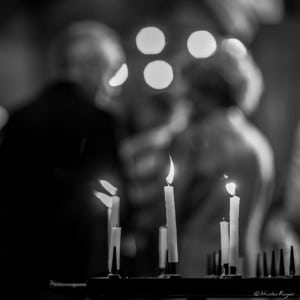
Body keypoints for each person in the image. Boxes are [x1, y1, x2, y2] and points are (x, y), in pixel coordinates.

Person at [120, 37, 275, 278]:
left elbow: (167, 206)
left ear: (204, 93)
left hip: (196, 267)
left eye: (190, 90)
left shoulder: (196, 140)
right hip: (246, 264)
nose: (186, 99)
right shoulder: (259, 143)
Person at [0, 20, 126, 296]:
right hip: (81, 263)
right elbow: (116, 194)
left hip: (21, 260)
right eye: (109, 72)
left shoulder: (19, 117)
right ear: (90, 67)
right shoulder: (99, 121)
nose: (110, 85)